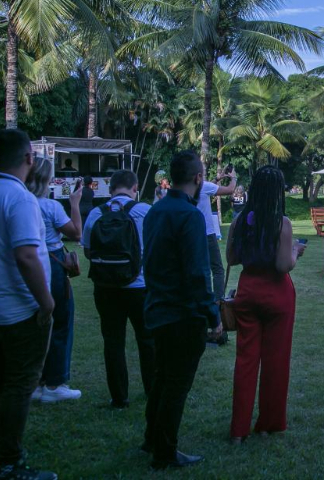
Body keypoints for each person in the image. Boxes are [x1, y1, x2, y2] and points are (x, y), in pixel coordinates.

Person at [0, 129, 57, 479]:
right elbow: (26, 255)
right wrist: (46, 303)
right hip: (21, 311)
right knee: (19, 385)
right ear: (29, 159)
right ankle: (9, 462)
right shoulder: (19, 199)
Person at [142, 150, 221, 469]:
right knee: (176, 384)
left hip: (157, 308)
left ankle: (152, 439)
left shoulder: (154, 211)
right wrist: (212, 315)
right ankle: (165, 451)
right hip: (183, 314)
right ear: (198, 179)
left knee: (162, 379)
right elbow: (197, 273)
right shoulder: (190, 216)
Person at [227, 165, 307, 443]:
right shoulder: (281, 223)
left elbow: (232, 259)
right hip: (276, 295)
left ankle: (238, 430)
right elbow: (284, 266)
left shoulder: (239, 221)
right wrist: (295, 251)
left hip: (248, 292)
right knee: (276, 362)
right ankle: (268, 424)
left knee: (245, 362)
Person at [82, 170, 155, 409]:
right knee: (147, 340)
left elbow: (88, 251)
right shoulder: (144, 211)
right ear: (134, 188)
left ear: (111, 189)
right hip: (139, 287)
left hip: (105, 287)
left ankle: (119, 396)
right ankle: (151, 389)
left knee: (113, 341)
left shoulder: (96, 213)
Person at [27, 157, 84, 403]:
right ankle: (55, 383)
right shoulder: (50, 207)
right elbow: (75, 233)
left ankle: (36, 382)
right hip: (52, 261)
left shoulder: (22, 203)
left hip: (27, 263)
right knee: (61, 320)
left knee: (35, 323)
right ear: (46, 179)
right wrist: (74, 203)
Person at [197, 169, 237, 303]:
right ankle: (218, 303)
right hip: (208, 234)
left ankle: (201, 300)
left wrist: (217, 179)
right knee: (218, 270)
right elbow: (230, 190)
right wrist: (233, 178)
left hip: (193, 235)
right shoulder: (204, 186)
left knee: (200, 269)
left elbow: (210, 186)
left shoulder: (189, 187)